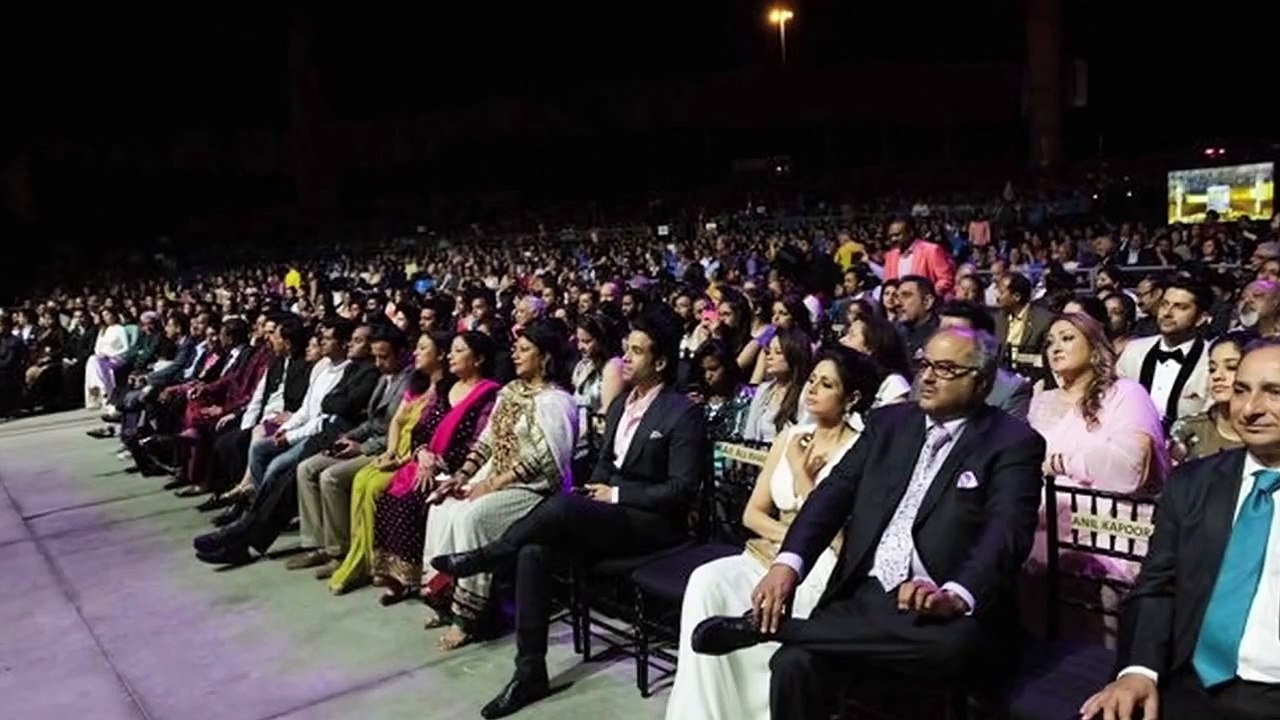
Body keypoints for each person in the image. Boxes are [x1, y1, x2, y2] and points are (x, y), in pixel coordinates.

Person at [688, 327, 1046, 720]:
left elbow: (1007, 533)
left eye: (944, 369)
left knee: (946, 651)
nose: (926, 376)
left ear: (980, 381)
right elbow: (831, 495)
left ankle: (779, 629)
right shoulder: (889, 424)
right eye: (924, 364)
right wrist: (788, 563)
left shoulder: (1012, 442)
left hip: (942, 607)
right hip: (867, 595)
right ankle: (800, 637)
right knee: (793, 666)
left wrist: (956, 593)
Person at [429, 307, 704, 718]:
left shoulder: (682, 412)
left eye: (637, 352)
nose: (625, 358)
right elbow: (603, 466)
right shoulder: (620, 406)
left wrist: (614, 494)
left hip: (652, 526)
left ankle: (488, 555)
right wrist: (597, 490)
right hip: (607, 518)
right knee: (533, 550)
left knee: (558, 504)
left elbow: (681, 491)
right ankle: (530, 672)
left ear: (660, 362)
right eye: (626, 349)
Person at [665, 346, 880, 720]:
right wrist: (789, 536)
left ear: (852, 398)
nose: (812, 389)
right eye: (812, 379)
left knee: (781, 603)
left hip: (824, 567)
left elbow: (841, 536)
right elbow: (752, 514)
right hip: (772, 552)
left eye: (826, 384)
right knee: (707, 581)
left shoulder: (861, 450)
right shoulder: (790, 437)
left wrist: (801, 474)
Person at [1080, 339, 1280, 720]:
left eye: (1274, 393)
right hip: (1187, 682)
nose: (1251, 409)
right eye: (1242, 390)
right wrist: (1139, 670)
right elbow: (1157, 586)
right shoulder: (1192, 483)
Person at [420, 318, 578, 652]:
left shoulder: (556, 401)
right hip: (497, 475)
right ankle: (444, 597)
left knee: (473, 517)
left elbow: (546, 460)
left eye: (524, 350)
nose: (515, 355)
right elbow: (487, 440)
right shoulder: (511, 390)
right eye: (516, 348)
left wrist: (490, 485)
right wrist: (463, 476)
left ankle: (470, 617)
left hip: (535, 488)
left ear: (545, 357)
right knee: (442, 502)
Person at [371, 332, 500, 604]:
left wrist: (440, 464)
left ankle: (426, 583)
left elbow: (477, 441)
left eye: (458, 351)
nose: (450, 355)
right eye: (451, 350)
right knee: (388, 497)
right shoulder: (445, 389)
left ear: (478, 359)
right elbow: (421, 430)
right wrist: (422, 453)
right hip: (427, 462)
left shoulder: (489, 395)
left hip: (457, 470)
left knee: (413, 502)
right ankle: (397, 579)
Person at [286, 329, 417, 579]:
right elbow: (370, 422)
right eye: (376, 357)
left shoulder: (409, 381)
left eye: (384, 357)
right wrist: (350, 437)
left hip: (386, 449)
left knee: (331, 477)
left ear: (401, 353)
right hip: (365, 440)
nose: (378, 363)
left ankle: (340, 550)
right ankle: (318, 543)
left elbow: (396, 429)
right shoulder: (383, 377)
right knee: (306, 468)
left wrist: (363, 447)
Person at [323, 331, 442, 593]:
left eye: (423, 348)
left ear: (440, 355)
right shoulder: (418, 384)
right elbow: (397, 421)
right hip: (396, 450)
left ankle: (373, 562)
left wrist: (401, 458)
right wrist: (390, 451)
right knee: (362, 481)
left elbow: (434, 435)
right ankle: (361, 557)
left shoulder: (445, 391)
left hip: (416, 455)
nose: (416, 353)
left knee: (375, 485)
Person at [1117, 280, 1213, 426]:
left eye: (1180, 307)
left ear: (1200, 318)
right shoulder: (1134, 351)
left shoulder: (1211, 358)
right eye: (1164, 304)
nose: (1167, 313)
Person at [937, 301, 1033, 419]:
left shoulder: (1009, 390)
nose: (945, 341)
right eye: (941, 333)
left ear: (984, 341)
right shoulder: (925, 377)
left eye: (956, 334)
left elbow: (1011, 436)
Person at [1170, 330, 1256, 463]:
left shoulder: (1269, 432)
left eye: (1231, 367)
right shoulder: (1188, 429)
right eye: (1212, 369)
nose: (1217, 376)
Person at [839, 299, 912, 408]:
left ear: (871, 347)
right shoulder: (849, 377)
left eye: (852, 336)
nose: (842, 341)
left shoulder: (894, 385)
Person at [743, 328, 812, 443]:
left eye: (778, 352)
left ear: (794, 356)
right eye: (769, 352)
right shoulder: (764, 390)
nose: (769, 357)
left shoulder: (806, 393)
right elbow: (749, 434)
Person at [882, 217, 956, 297]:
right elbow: (887, 284)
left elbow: (946, 279)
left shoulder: (932, 250)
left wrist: (927, 296)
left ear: (910, 232)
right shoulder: (890, 256)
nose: (893, 239)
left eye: (897, 235)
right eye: (891, 236)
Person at [83, 308, 130, 409]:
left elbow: (126, 348)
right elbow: (97, 347)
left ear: (113, 315)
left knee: (94, 362)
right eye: (104, 316)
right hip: (102, 358)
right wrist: (99, 354)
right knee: (92, 359)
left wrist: (110, 354)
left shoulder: (120, 329)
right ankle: (99, 390)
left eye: (108, 314)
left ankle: (101, 391)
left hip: (115, 357)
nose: (106, 317)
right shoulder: (103, 331)